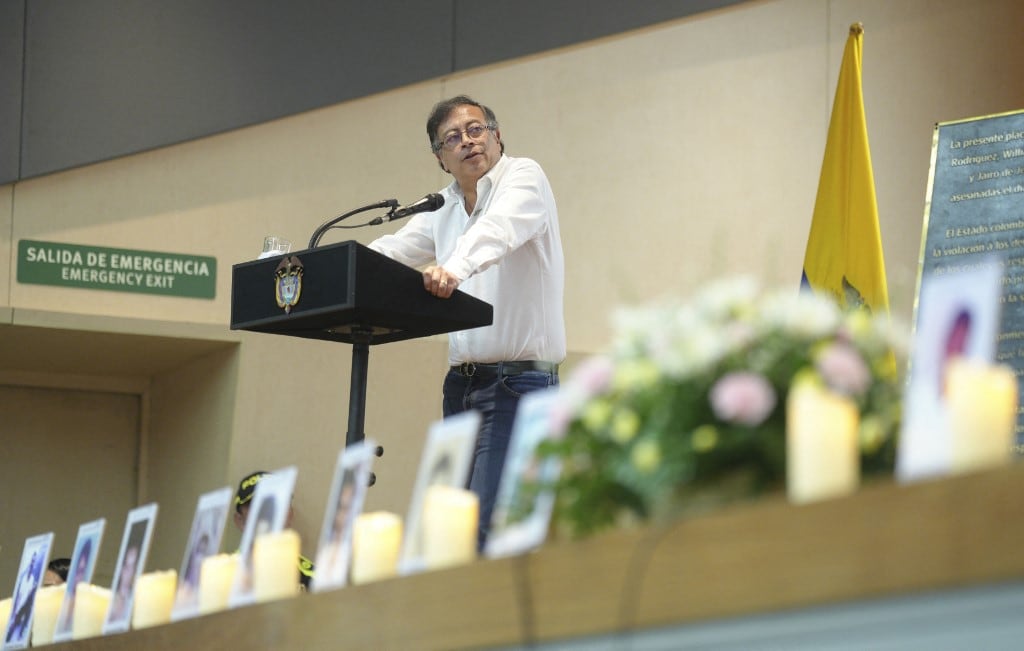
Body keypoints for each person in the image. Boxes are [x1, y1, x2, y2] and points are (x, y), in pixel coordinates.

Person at [369, 95, 565, 548]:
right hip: (461, 387)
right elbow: (392, 252)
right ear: (440, 158)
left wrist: (453, 268)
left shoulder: (524, 176)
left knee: (489, 528)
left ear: (496, 136)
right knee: (447, 532)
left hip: (520, 386)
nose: (468, 141)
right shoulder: (443, 207)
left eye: (476, 129)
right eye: (453, 138)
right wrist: (319, 266)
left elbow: (496, 231)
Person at [233, 470, 315, 590]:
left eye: (276, 503)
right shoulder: (222, 576)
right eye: (257, 506)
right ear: (240, 521)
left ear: (290, 514)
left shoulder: (313, 579)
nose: (268, 515)